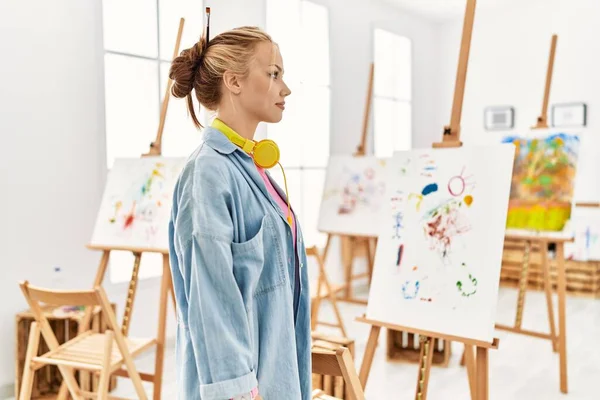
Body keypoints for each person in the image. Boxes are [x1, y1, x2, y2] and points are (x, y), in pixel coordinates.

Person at [167, 24, 311, 400]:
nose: (286, 88)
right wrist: (237, 391)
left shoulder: (251, 166)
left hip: (275, 376)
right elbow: (210, 303)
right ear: (233, 81)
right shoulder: (207, 174)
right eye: (274, 74)